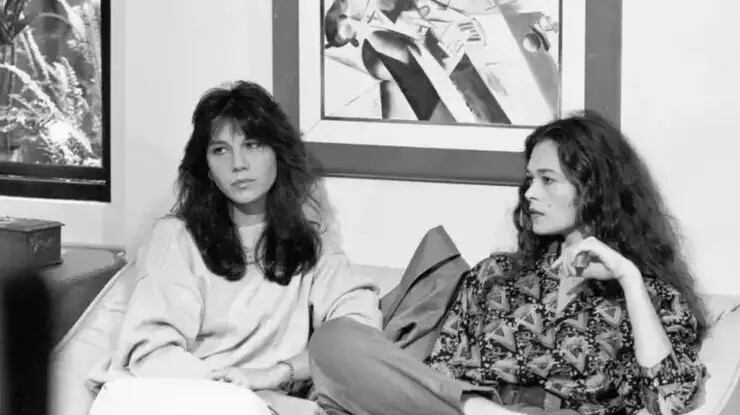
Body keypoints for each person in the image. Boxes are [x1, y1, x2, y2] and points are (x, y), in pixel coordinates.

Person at [308, 111, 708, 415]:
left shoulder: (651, 297)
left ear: (594, 188)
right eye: (530, 179)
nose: (529, 193)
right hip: (471, 407)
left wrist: (629, 278)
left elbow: (670, 399)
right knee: (334, 339)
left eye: (547, 180)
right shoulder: (493, 276)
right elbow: (441, 371)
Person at [86, 80, 381, 413]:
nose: (238, 164)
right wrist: (249, 395)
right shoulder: (177, 238)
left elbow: (357, 330)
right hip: (186, 397)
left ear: (278, 154)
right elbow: (152, 352)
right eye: (220, 150)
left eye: (252, 145)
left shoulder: (311, 242)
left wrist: (278, 374)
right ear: (207, 168)